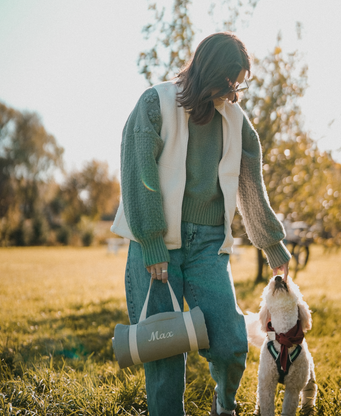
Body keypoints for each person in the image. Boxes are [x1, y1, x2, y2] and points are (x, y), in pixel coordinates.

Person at [112, 32, 291, 416]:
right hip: (156, 245)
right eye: (232, 82)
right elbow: (137, 175)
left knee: (230, 345)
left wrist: (272, 243)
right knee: (165, 355)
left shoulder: (236, 120)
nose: (236, 92)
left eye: (240, 83)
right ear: (212, 73)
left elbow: (250, 186)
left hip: (208, 246)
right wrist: (153, 241)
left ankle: (224, 406)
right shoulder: (155, 103)